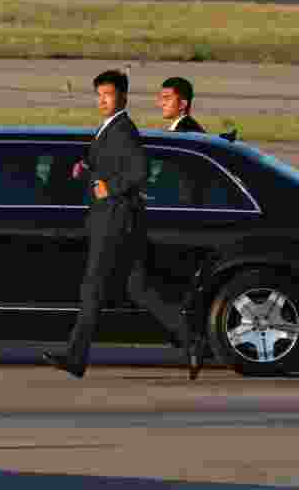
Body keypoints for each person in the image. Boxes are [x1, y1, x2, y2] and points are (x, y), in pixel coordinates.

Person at [44, 70, 205, 380]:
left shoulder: (122, 129)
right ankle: (193, 340)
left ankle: (76, 357)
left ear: (123, 98)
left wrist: (110, 187)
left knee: (92, 289)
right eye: (100, 94)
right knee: (139, 288)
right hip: (118, 221)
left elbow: (138, 171)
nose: (103, 100)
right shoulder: (109, 129)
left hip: (114, 221)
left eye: (109, 95)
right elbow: (108, 164)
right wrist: (86, 169)